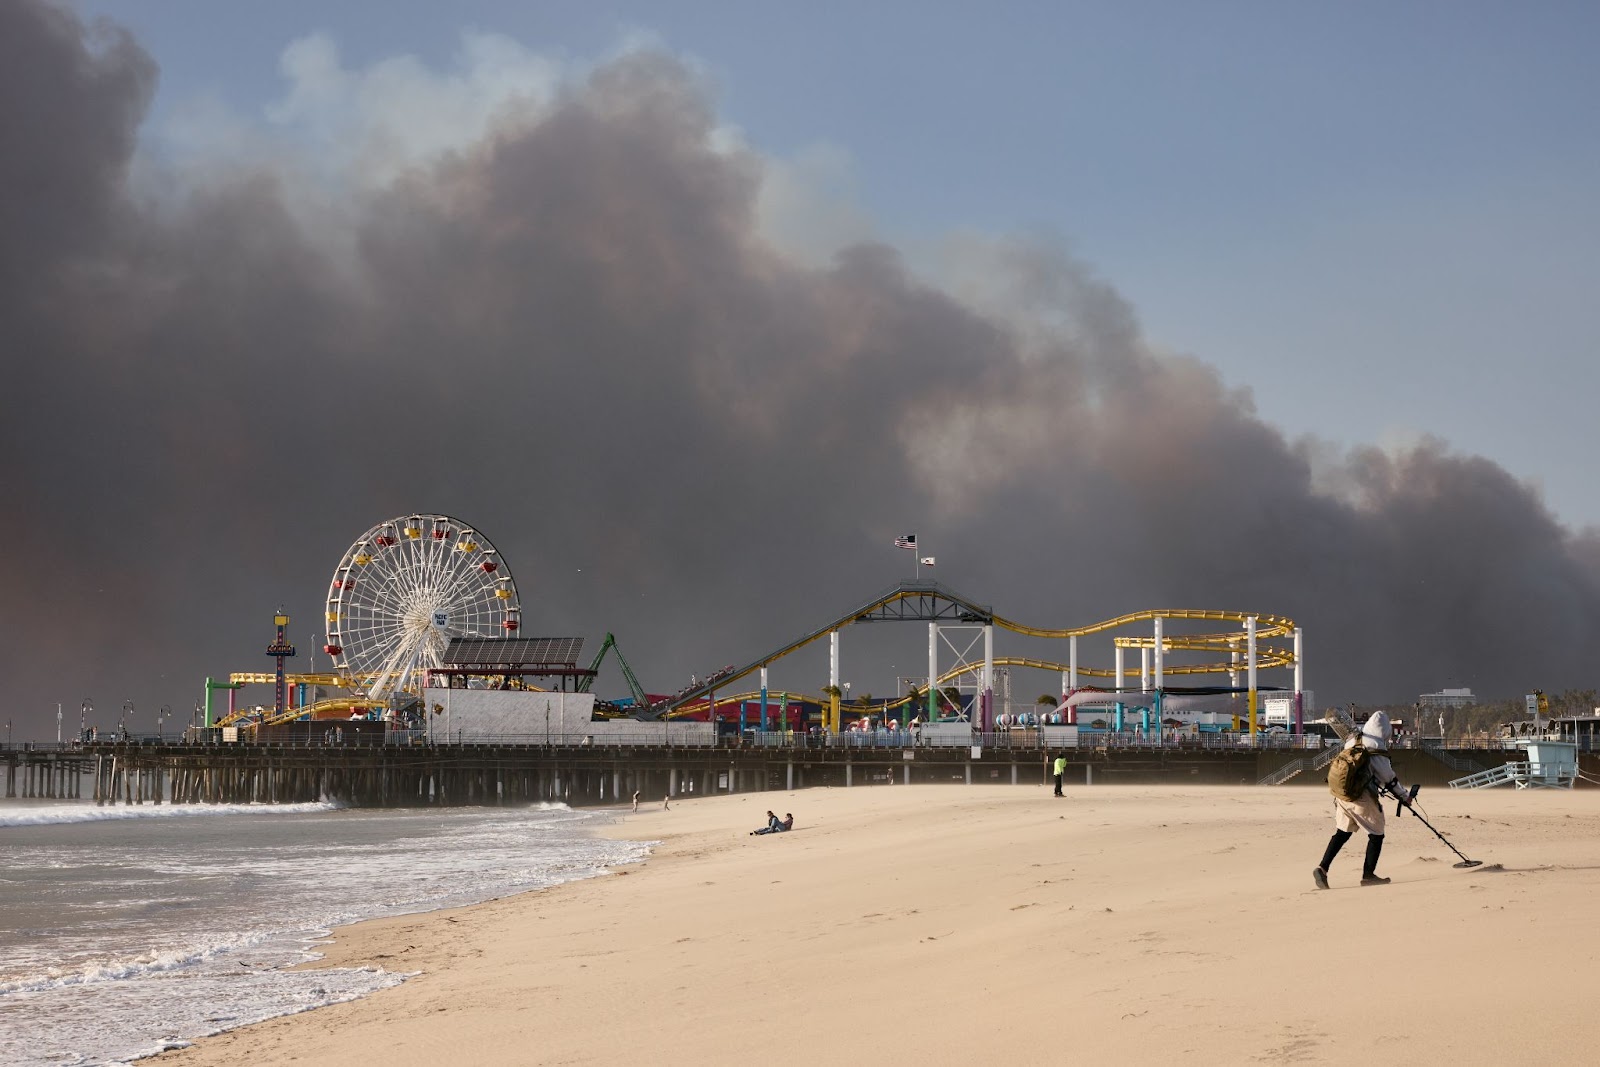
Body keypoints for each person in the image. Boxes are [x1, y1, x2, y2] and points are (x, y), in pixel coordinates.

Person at [1313, 710, 1411, 889]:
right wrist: (1405, 797)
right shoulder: (1375, 747)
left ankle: (1322, 868)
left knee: (1342, 833)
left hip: (1342, 795)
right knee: (1377, 834)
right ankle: (1368, 875)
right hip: (1362, 797)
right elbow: (1388, 778)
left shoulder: (1352, 740)